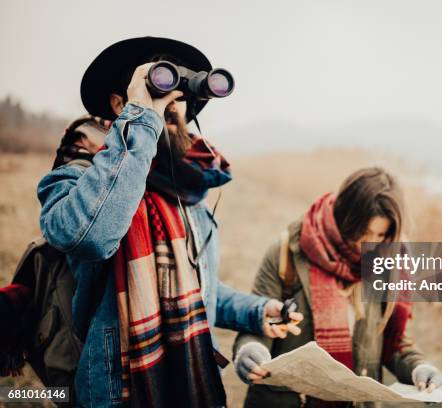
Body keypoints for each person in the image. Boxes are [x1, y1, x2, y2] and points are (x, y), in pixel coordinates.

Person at [37, 37, 301, 408]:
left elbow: (200, 290)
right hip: (120, 394)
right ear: (120, 104)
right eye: (162, 96)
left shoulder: (184, 190)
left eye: (181, 99)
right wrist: (141, 118)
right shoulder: (79, 178)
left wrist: (255, 312)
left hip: (194, 389)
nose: (174, 110)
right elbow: (90, 237)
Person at [233, 167, 442, 407]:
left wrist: (419, 368)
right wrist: (249, 351)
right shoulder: (287, 253)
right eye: (364, 233)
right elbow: (258, 323)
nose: (371, 244)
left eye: (381, 234)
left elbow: (393, 342)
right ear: (345, 218)